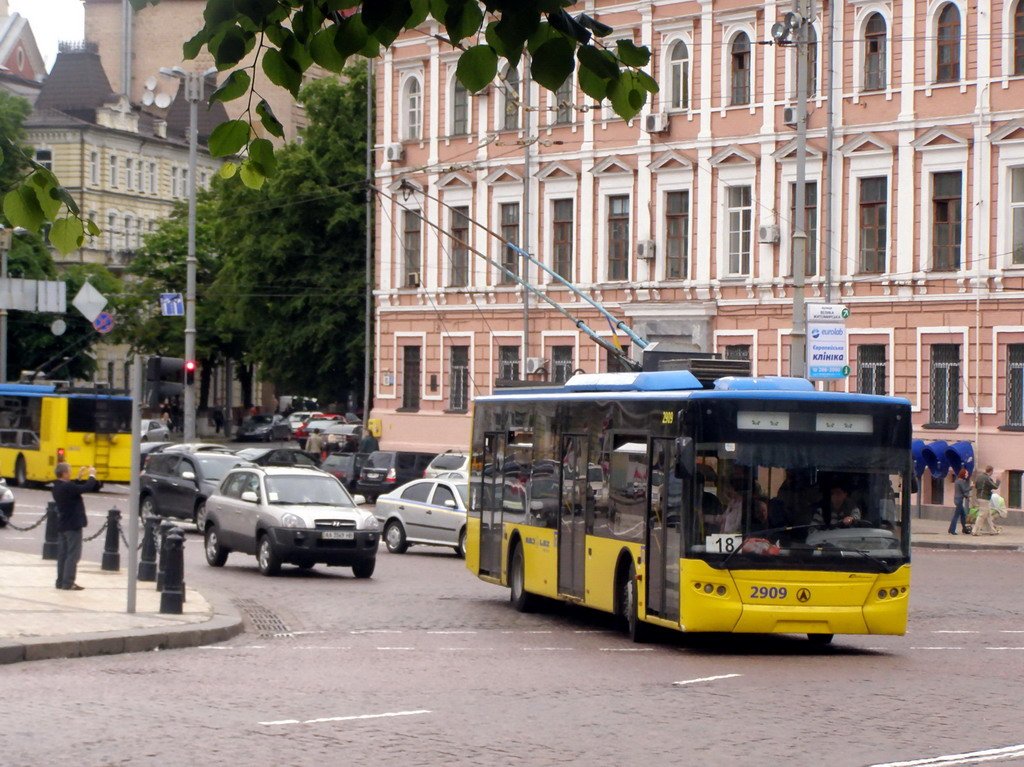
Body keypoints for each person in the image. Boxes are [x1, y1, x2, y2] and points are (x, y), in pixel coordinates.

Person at [52, 463, 101, 591]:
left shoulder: (57, 486)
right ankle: (68, 582)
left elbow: (73, 488)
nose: (71, 473)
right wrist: (92, 475)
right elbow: (86, 487)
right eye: (69, 471)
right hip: (73, 525)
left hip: (63, 524)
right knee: (73, 555)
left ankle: (60, 581)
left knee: (63, 554)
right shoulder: (67, 487)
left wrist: (78, 478)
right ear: (64, 473)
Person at [949, 468, 972, 535]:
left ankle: (964, 529)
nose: (967, 475)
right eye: (966, 473)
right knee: (956, 516)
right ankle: (952, 530)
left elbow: (961, 491)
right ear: (963, 474)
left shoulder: (957, 481)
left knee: (963, 515)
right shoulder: (961, 481)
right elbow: (964, 490)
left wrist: (967, 497)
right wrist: (971, 487)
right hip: (959, 501)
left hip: (957, 499)